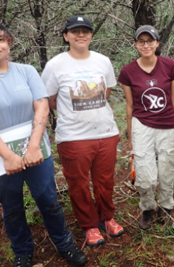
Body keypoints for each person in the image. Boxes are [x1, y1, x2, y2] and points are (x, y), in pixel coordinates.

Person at [0, 22, 87, 267]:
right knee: (12, 206)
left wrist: (34, 146)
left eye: (1, 39)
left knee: (48, 199)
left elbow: (41, 105)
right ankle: (23, 252)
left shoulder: (26, 71)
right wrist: (8, 155)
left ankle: (65, 244)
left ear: (9, 43)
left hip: (36, 151)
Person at [41, 16, 124, 247]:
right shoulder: (55, 65)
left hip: (105, 132)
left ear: (91, 35)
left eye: (85, 31)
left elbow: (105, 93)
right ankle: (89, 225)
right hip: (73, 136)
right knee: (78, 183)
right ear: (66, 36)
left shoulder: (102, 61)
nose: (80, 35)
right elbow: (50, 99)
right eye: (74, 31)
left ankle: (107, 218)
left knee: (105, 180)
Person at [118, 25, 174, 230]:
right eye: (141, 41)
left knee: (166, 168)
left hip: (167, 124)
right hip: (141, 124)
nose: (146, 45)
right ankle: (147, 207)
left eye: (150, 41)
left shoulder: (170, 66)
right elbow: (130, 106)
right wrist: (130, 133)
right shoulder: (128, 72)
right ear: (136, 44)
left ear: (157, 43)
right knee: (145, 176)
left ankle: (166, 206)